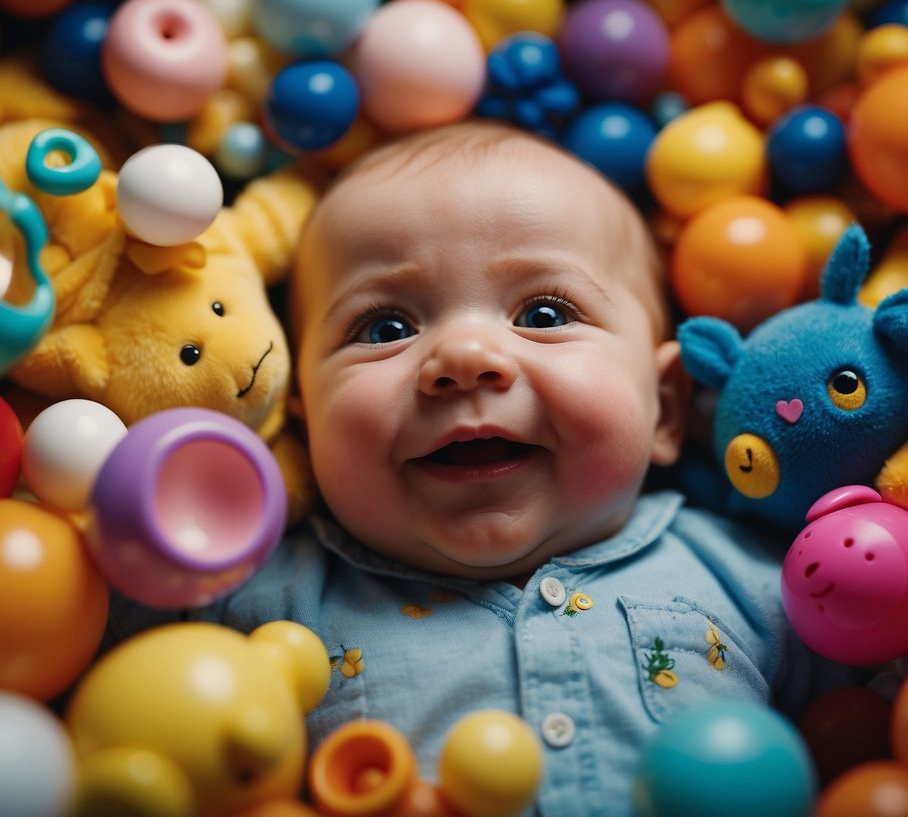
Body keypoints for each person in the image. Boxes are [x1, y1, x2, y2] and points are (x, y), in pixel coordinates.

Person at [108, 120, 843, 813]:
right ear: (303, 421)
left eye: (544, 315)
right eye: (385, 327)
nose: (462, 359)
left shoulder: (768, 581)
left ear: (667, 408)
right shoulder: (249, 601)